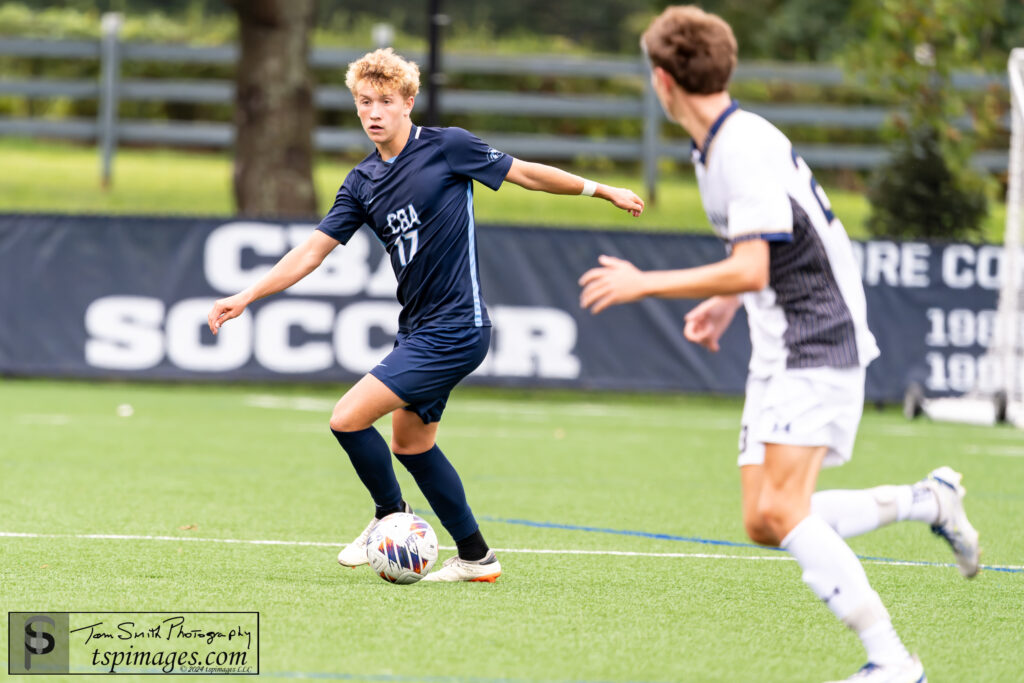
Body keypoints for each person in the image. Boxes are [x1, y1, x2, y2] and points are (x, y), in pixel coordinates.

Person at [579, 6, 979, 681]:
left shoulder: (741, 147)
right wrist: (724, 302)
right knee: (765, 519)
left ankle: (892, 660)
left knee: (781, 507)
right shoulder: (713, 149)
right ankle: (927, 498)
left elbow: (754, 264)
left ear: (662, 80)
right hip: (779, 343)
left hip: (818, 337)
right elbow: (763, 251)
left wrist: (648, 282)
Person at [208, 48, 644, 583]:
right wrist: (248, 295)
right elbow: (313, 251)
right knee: (411, 443)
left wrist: (603, 190)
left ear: (408, 102)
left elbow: (525, 173)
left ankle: (390, 515)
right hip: (418, 329)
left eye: (386, 101)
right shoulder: (362, 181)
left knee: (347, 418)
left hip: (457, 327)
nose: (374, 112)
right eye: (364, 102)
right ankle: (477, 558)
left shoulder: (448, 147)